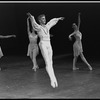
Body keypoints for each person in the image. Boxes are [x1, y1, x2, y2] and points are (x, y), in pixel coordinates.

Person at [27, 12, 64, 88]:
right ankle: (51, 79)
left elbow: (51, 22)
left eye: (44, 18)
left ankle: (54, 79)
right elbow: (34, 23)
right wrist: (31, 17)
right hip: (43, 43)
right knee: (47, 62)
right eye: (43, 18)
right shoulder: (38, 27)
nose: (45, 19)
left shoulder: (47, 26)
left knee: (51, 62)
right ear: (40, 20)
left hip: (48, 44)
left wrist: (58, 18)